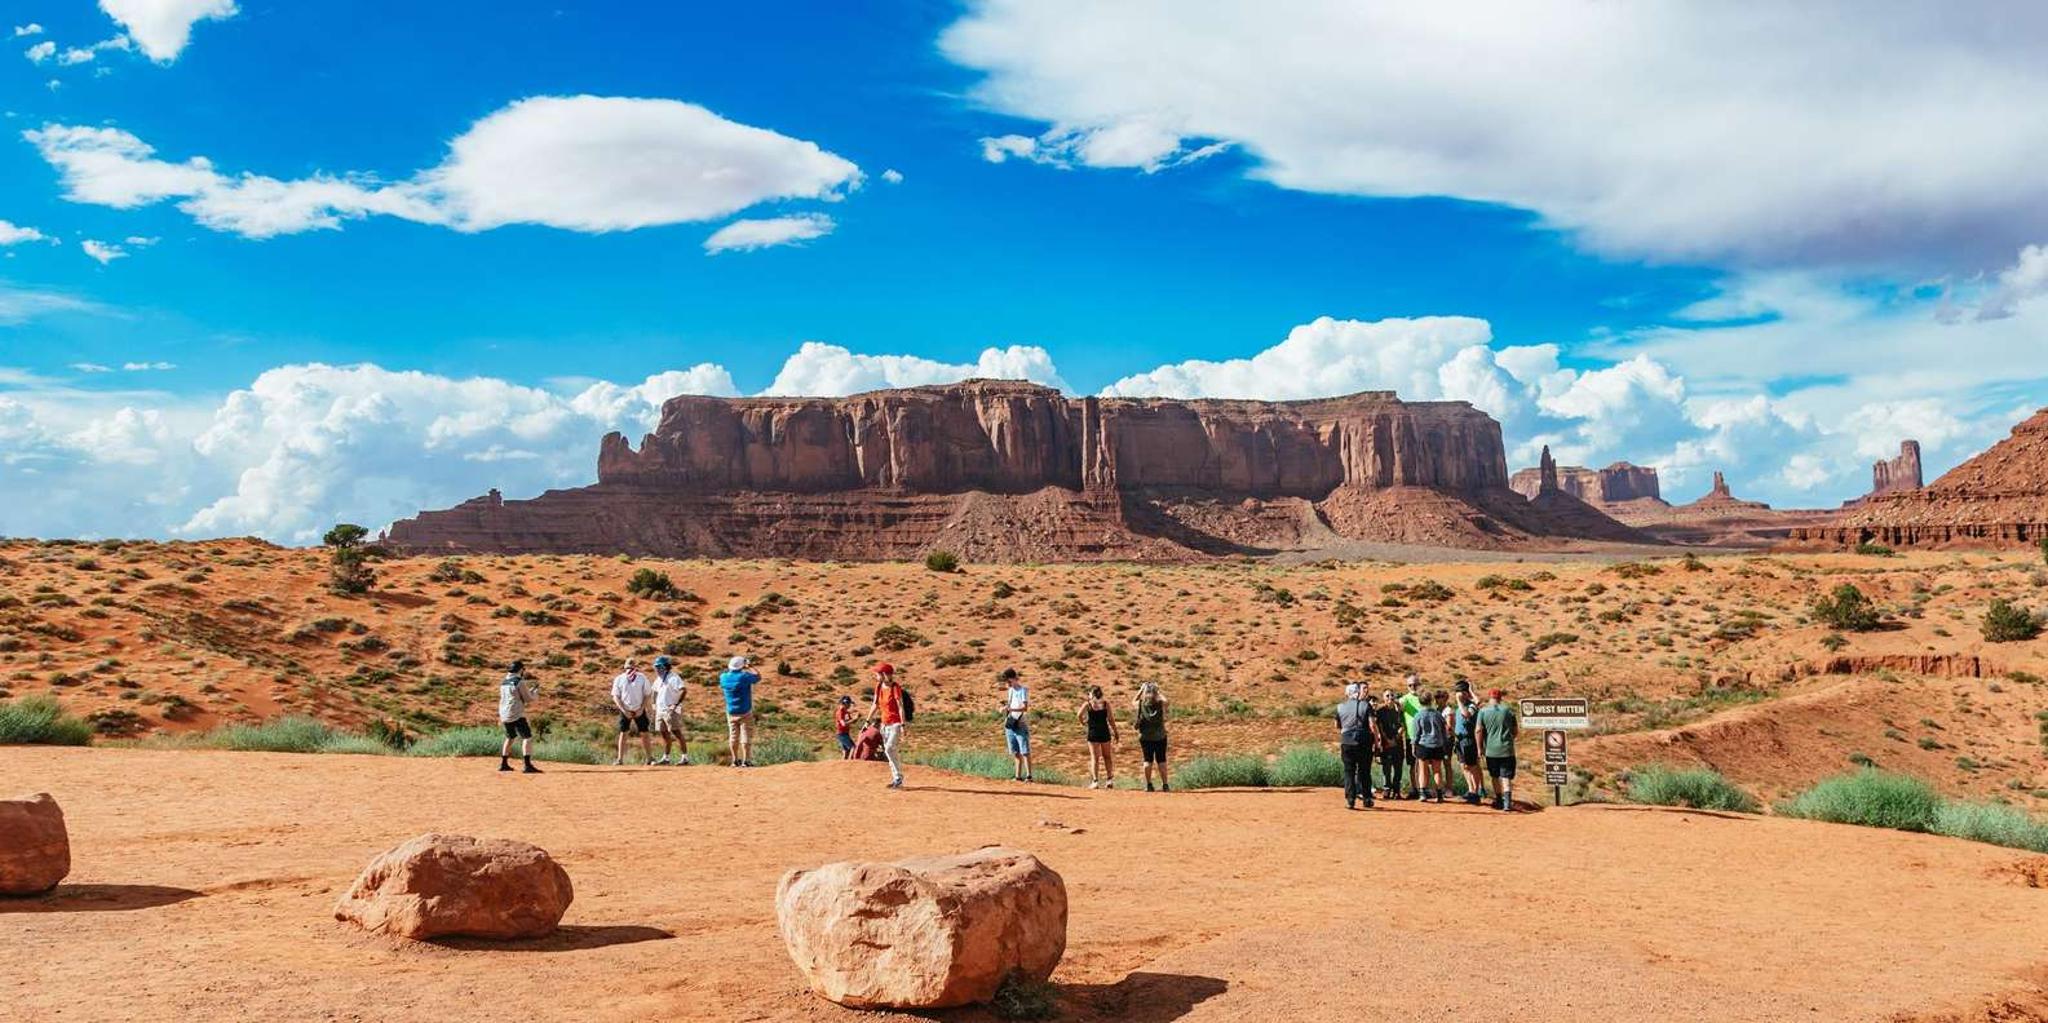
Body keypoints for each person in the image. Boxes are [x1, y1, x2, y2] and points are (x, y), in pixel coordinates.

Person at [1475, 687, 1520, 812]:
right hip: (1506, 749)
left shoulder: (1483, 712)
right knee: (1506, 776)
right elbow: (1515, 732)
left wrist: (1480, 748)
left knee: (1494, 776)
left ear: (1490, 698)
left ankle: (1499, 800)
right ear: (1500, 698)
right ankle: (1507, 803)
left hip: (1491, 750)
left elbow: (1478, 730)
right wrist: (1509, 739)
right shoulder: (1508, 711)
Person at [1334, 683, 1376, 810]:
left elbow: (1336, 725)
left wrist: (1346, 729)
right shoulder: (1365, 705)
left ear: (1347, 693)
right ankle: (1367, 798)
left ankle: (1350, 800)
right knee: (1364, 771)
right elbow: (1372, 725)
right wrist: (1376, 741)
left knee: (1349, 771)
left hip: (1347, 742)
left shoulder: (1340, 707)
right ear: (1357, 692)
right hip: (1363, 741)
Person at [496, 660, 541, 774]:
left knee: (510, 737)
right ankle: (527, 765)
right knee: (527, 737)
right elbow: (528, 699)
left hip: (504, 714)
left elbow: (514, 696)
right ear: (520, 670)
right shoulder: (519, 682)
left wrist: (528, 692)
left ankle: (504, 764)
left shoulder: (504, 682)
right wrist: (535, 693)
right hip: (516, 713)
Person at [868, 663, 908, 788]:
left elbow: (900, 706)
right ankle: (896, 778)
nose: (876, 676)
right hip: (884, 725)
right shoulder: (879, 687)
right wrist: (867, 721)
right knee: (889, 750)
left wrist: (902, 725)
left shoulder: (895, 687)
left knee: (890, 749)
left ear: (885, 674)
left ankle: (899, 777)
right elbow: (875, 705)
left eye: (878, 674)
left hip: (895, 723)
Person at [610, 658, 653, 766]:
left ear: (636, 668)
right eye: (628, 667)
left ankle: (649, 758)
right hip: (625, 710)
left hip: (639, 709)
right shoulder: (619, 679)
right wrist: (624, 710)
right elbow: (615, 696)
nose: (630, 669)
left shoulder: (642, 678)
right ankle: (620, 759)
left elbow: (647, 694)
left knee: (645, 733)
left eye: (632, 667)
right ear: (625, 668)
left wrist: (641, 709)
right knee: (623, 733)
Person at [718, 656, 760, 768]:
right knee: (746, 735)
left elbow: (725, 674)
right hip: (745, 710)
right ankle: (746, 761)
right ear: (742, 666)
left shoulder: (723, 677)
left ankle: (734, 760)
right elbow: (757, 676)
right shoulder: (744, 676)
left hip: (731, 711)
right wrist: (750, 666)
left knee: (733, 736)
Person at [1451, 680, 1487, 805]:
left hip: (1469, 740)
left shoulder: (1471, 706)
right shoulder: (1460, 707)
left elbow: (1466, 715)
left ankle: (1475, 792)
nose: (1458, 695)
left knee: (1472, 766)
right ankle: (1471, 790)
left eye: (1460, 692)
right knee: (1464, 766)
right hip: (1460, 740)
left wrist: (1461, 700)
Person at [649, 655, 690, 766]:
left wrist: (675, 705)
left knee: (677, 733)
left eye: (659, 666)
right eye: (656, 666)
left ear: (665, 667)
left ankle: (685, 758)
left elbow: (683, 690)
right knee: (664, 734)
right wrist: (653, 704)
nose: (656, 669)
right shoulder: (659, 679)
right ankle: (666, 758)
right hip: (660, 710)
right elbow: (654, 691)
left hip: (671, 710)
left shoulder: (674, 677)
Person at [1412, 690, 1451, 802]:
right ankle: (1439, 794)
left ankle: (1423, 793)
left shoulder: (1418, 715)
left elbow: (1416, 733)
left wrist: (1414, 745)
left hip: (1423, 745)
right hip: (1437, 745)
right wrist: (1444, 744)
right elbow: (1444, 731)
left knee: (1423, 770)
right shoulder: (1438, 715)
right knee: (1437, 771)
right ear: (1431, 701)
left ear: (1420, 702)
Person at [1077, 685, 1119, 789]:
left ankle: (1095, 781)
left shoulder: (1088, 704)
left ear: (1091, 694)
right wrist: (1116, 732)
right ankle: (1109, 780)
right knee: (1107, 756)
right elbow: (1111, 719)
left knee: (1094, 758)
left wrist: (1083, 722)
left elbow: (1079, 715)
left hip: (1093, 732)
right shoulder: (1105, 704)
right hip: (1104, 732)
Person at [1133, 681, 1170, 792]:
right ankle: (1165, 785)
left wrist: (1141, 690)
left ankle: (1149, 784)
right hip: (1160, 736)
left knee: (1147, 760)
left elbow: (1133, 701)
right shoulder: (1160, 704)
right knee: (1161, 760)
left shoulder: (1141, 704)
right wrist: (1158, 691)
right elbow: (1167, 701)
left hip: (1145, 737)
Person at [1000, 668, 1033, 782]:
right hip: (1011, 722)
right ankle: (1018, 776)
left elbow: (1025, 708)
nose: (1007, 683)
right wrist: (1006, 709)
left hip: (1020, 722)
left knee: (1024, 751)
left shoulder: (1022, 690)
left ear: (1013, 678)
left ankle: (1029, 776)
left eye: (1008, 681)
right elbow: (1009, 704)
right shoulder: (1010, 691)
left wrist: (1011, 708)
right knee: (1015, 752)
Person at [1373, 689, 1406, 799]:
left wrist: (1396, 738)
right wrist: (1387, 740)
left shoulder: (1399, 711)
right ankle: (1387, 789)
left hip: (1398, 743)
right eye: (1387, 696)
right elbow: (1379, 727)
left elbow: (1403, 725)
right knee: (1386, 768)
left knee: (1398, 767)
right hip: (1385, 743)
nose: (1390, 698)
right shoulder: (1381, 711)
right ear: (1384, 698)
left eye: (1392, 695)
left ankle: (1396, 790)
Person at [1398, 674, 1426, 799]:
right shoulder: (1404, 699)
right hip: (1411, 736)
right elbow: (1398, 709)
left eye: (1415, 684)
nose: (1413, 687)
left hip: (1425, 737)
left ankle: (1423, 788)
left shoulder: (1424, 698)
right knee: (1413, 764)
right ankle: (1415, 789)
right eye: (1410, 685)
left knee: (1423, 764)